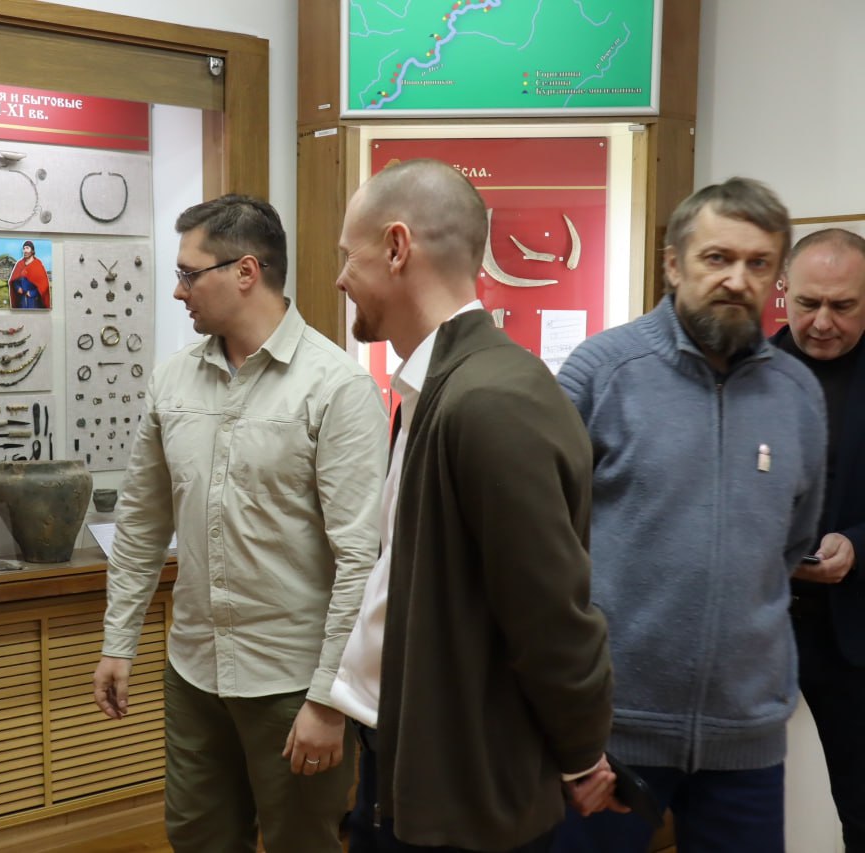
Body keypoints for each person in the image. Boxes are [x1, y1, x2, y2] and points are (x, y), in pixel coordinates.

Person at [329, 158, 615, 852]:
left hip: (466, 798)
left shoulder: (489, 399)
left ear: (397, 247)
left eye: (348, 256)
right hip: (409, 759)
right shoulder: (439, 389)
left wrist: (581, 751)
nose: (340, 278)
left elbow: (550, 612)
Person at [91, 194, 387, 853]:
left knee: (300, 843)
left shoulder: (337, 388)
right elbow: (140, 524)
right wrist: (118, 641)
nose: (178, 291)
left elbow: (360, 560)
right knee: (196, 837)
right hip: (194, 672)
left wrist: (329, 700)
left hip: (293, 682)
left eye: (189, 274)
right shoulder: (172, 382)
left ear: (246, 272)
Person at [554, 178, 827, 852]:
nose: (738, 279)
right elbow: (542, 541)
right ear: (674, 264)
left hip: (745, 741)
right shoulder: (602, 372)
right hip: (608, 736)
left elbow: (791, 543)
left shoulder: (797, 393)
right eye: (717, 258)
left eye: (758, 263)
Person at [773, 227, 865, 851]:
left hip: (854, 632)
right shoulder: (747, 374)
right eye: (808, 303)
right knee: (728, 797)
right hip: (756, 627)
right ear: (784, 292)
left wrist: (859, 545)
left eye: (844, 305)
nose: (823, 322)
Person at [9, 239, 50, 309]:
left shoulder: (38, 265)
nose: (25, 250)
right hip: (22, 300)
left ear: (32, 251)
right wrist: (17, 287)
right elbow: (14, 281)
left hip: (34, 301)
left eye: (27, 248)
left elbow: (44, 285)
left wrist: (32, 293)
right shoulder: (19, 264)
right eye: (24, 248)